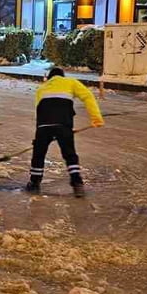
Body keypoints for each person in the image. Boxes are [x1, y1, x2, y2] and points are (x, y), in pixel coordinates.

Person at [26, 67, 104, 197]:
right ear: (62, 76)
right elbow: (88, 96)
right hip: (63, 124)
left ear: (49, 77)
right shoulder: (70, 82)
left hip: (43, 125)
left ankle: (34, 183)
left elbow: (40, 111)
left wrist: (40, 135)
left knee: (38, 154)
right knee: (70, 154)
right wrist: (96, 118)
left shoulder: (42, 88)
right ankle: (77, 183)